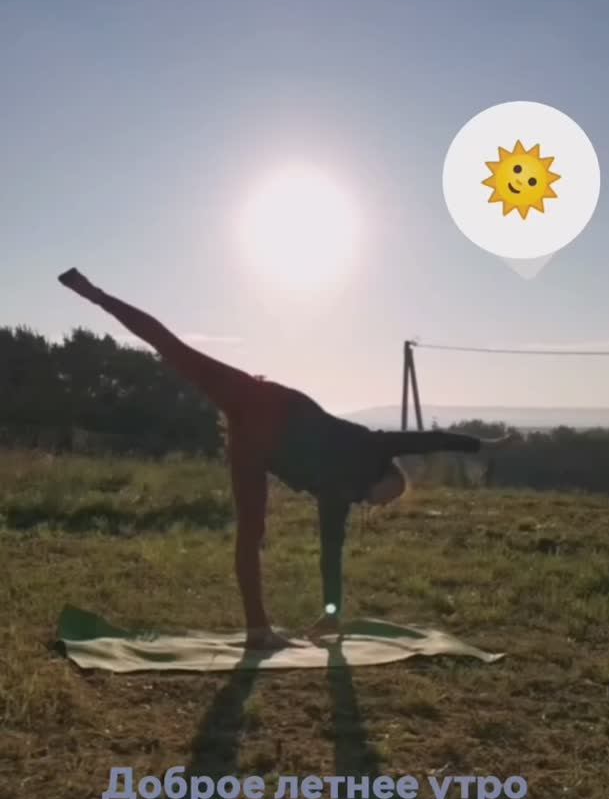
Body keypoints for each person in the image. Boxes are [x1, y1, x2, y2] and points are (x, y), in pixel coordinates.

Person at [58, 268, 512, 650]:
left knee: (251, 531)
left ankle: (259, 630)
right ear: (382, 475)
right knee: (175, 350)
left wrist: (331, 614)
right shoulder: (372, 447)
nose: (379, 504)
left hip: (254, 444)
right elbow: (430, 440)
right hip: (263, 403)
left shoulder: (338, 497)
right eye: (387, 494)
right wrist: (484, 446)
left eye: (383, 503)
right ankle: (95, 294)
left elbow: (331, 556)